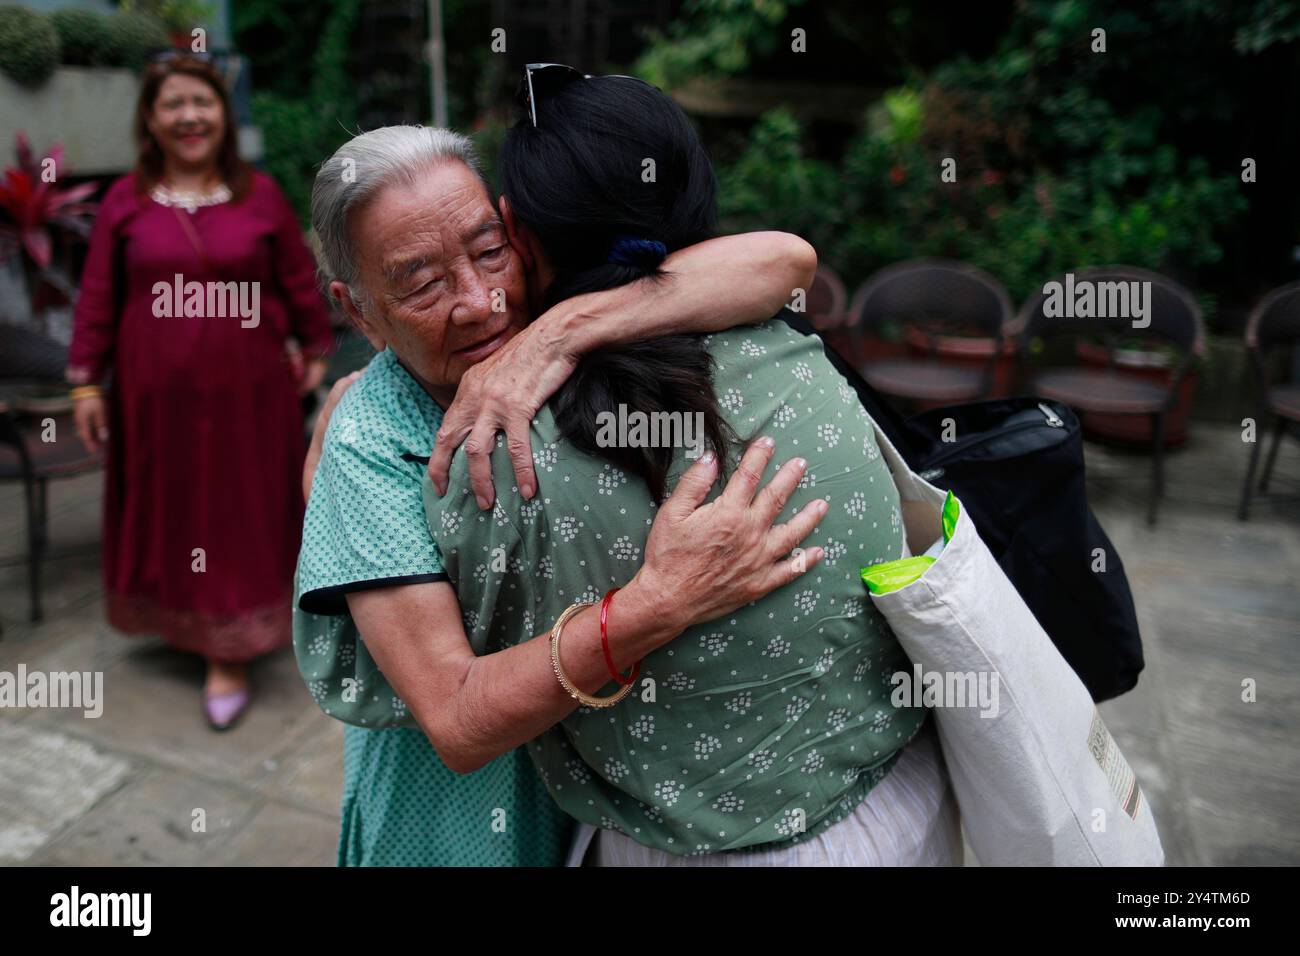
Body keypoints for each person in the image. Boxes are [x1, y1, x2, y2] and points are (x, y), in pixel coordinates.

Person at [420, 68, 962, 865]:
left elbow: (459, 700)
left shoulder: (500, 460)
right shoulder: (800, 357)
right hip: (906, 809)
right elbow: (786, 256)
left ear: (517, 233)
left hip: (695, 849)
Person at [296, 124, 824, 866]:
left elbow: (786, 261)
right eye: (422, 284)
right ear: (359, 314)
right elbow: (454, 716)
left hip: (607, 791)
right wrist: (656, 604)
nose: (480, 304)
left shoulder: (542, 319)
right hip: (464, 816)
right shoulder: (368, 448)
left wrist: (560, 333)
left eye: (488, 252)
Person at [67, 54, 334, 730]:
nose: (190, 117)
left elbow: (298, 281)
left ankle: (230, 647)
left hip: (248, 397)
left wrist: (314, 345)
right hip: (155, 400)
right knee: (177, 509)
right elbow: (98, 296)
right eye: (173, 104)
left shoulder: (262, 196)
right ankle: (179, 619)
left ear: (224, 114)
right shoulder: (124, 203)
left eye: (203, 102)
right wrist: (83, 386)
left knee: (236, 511)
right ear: (151, 121)